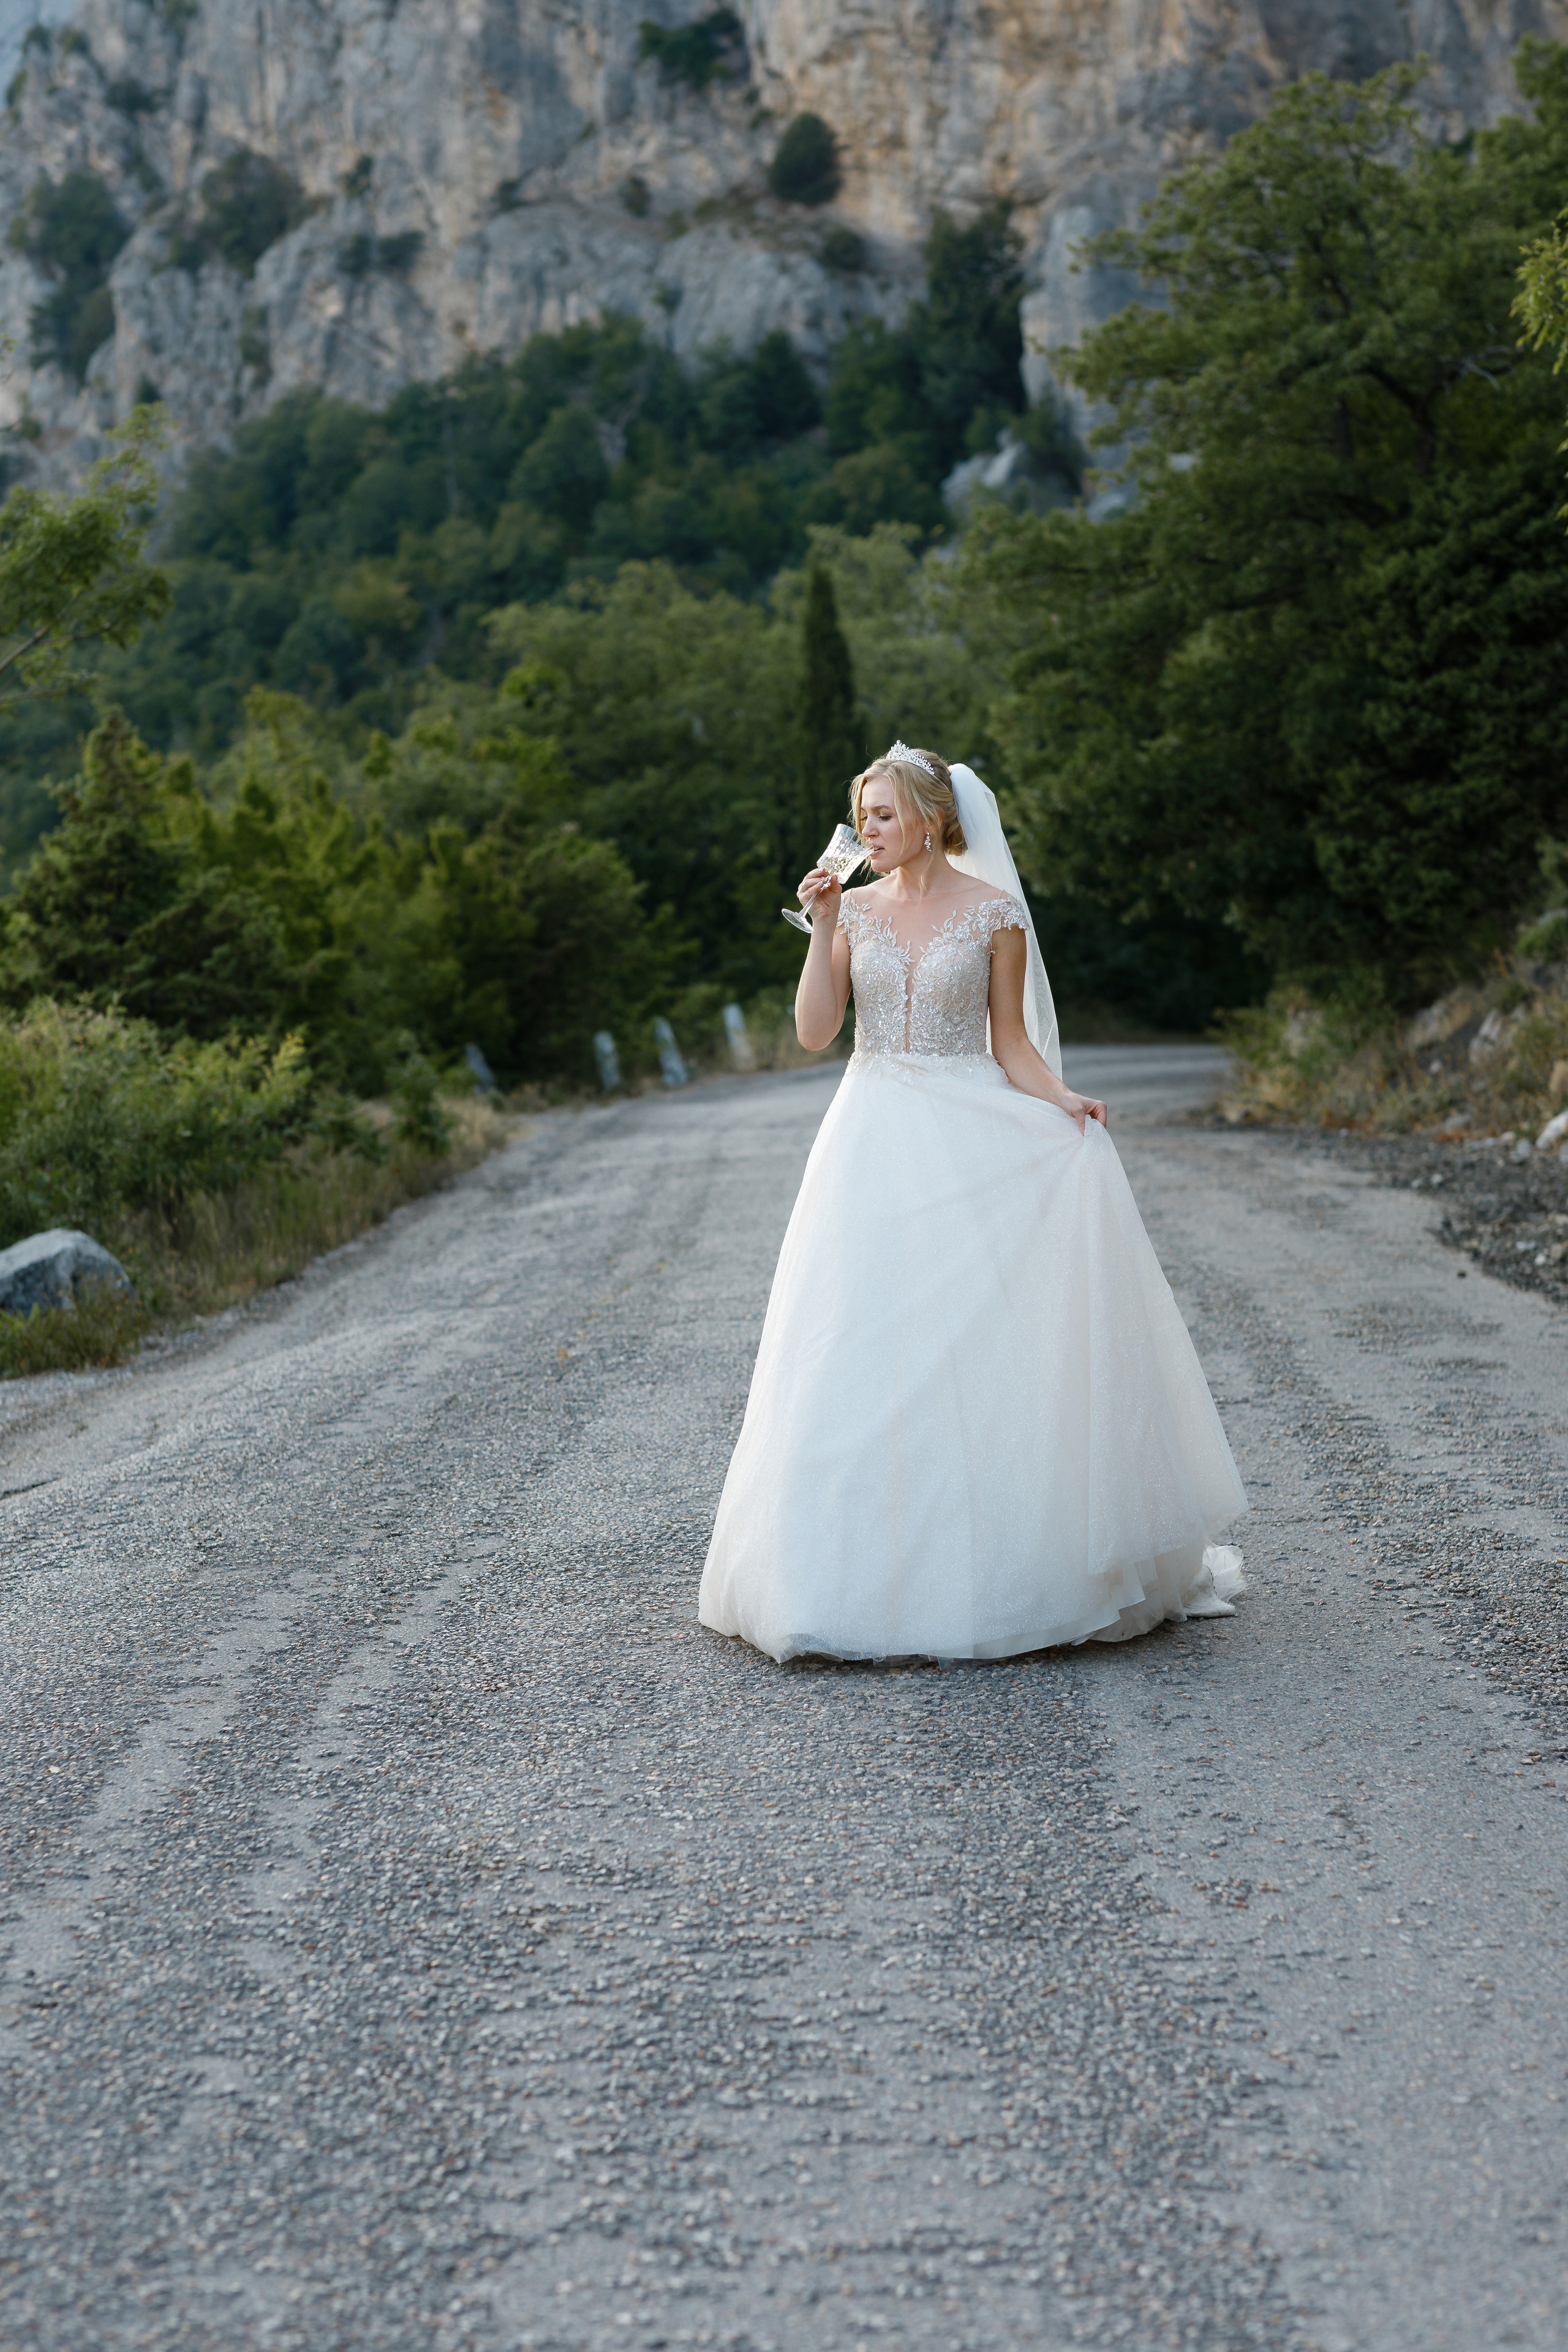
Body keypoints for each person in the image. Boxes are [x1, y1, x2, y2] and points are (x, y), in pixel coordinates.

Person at [698, 744, 1246, 1664]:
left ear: (933, 821)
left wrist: (1064, 1103)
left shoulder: (995, 914)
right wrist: (822, 925)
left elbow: (1013, 1046)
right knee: (855, 1338)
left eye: (882, 816)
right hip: (869, 1137)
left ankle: (998, 1565)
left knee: (974, 1344)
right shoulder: (853, 908)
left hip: (970, 1129)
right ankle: (833, 1577)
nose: (866, 831)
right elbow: (814, 1032)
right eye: (862, 815)